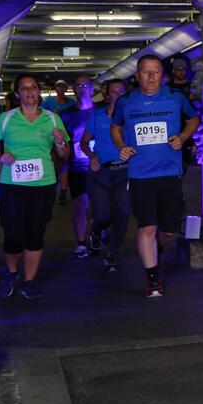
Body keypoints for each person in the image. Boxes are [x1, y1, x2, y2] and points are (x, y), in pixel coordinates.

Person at [111, 55, 199, 297]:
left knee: (168, 229)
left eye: (156, 72)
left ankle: (155, 250)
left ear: (163, 75)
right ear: (137, 75)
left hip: (170, 171)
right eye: (145, 72)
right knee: (147, 227)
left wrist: (182, 137)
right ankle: (153, 278)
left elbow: (193, 119)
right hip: (140, 175)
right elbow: (116, 127)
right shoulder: (126, 102)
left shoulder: (175, 97)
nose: (150, 77)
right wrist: (121, 146)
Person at [0, 74, 70, 300]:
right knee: (12, 234)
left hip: (43, 184)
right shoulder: (5, 118)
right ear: (17, 94)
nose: (30, 91)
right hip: (12, 184)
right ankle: (11, 272)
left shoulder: (52, 119)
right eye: (24, 88)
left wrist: (60, 142)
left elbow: (64, 154)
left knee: (35, 233)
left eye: (34, 87)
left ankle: (29, 280)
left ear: (39, 92)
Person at [81, 79, 131, 273]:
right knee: (103, 214)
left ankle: (112, 253)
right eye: (114, 92)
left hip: (124, 171)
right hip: (100, 171)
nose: (118, 95)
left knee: (123, 213)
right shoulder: (97, 115)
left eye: (122, 92)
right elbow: (85, 142)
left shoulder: (131, 117)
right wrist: (92, 156)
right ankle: (95, 229)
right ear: (107, 95)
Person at [60, 76, 97, 259]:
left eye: (85, 85)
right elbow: (62, 143)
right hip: (78, 166)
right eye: (78, 85)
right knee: (80, 204)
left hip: (100, 165)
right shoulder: (65, 114)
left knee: (102, 205)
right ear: (73, 89)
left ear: (92, 89)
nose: (81, 88)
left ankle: (98, 232)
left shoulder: (101, 111)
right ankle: (81, 243)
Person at [43, 79, 76, 205]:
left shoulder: (71, 103)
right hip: (52, 138)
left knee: (65, 165)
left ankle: (62, 192)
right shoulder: (48, 102)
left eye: (63, 87)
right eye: (58, 87)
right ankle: (51, 190)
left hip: (68, 136)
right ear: (55, 88)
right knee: (53, 164)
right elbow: (42, 117)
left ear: (66, 89)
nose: (61, 89)